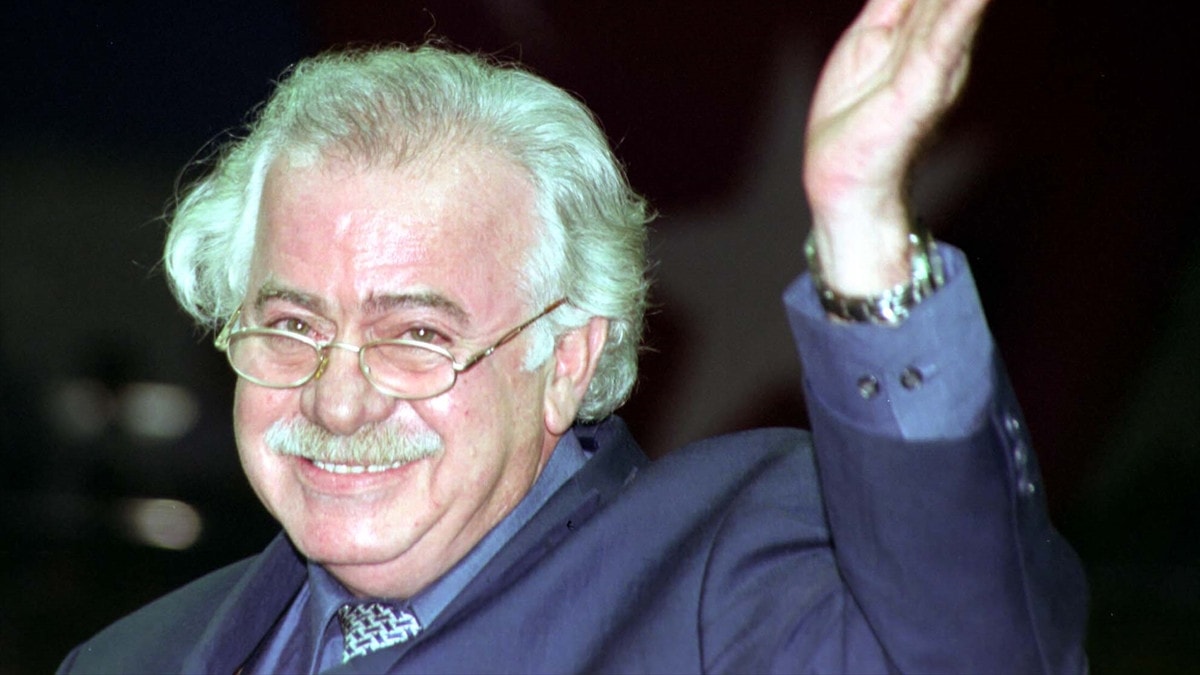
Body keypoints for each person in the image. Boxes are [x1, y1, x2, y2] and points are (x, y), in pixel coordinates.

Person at [59, 0, 1088, 672]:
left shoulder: (734, 577)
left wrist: (862, 233)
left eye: (415, 334)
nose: (336, 398)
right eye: (291, 325)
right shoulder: (127, 659)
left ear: (568, 360)